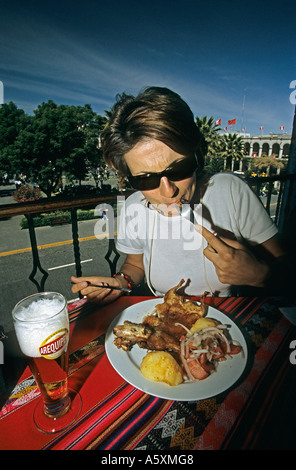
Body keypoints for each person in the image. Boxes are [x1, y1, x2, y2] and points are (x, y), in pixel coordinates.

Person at [71, 86, 289, 304]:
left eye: (179, 169)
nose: (169, 191)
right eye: (145, 179)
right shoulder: (133, 205)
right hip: (163, 315)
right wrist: (121, 282)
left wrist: (260, 275)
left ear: (196, 155)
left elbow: (286, 267)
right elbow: (135, 264)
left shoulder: (231, 191)